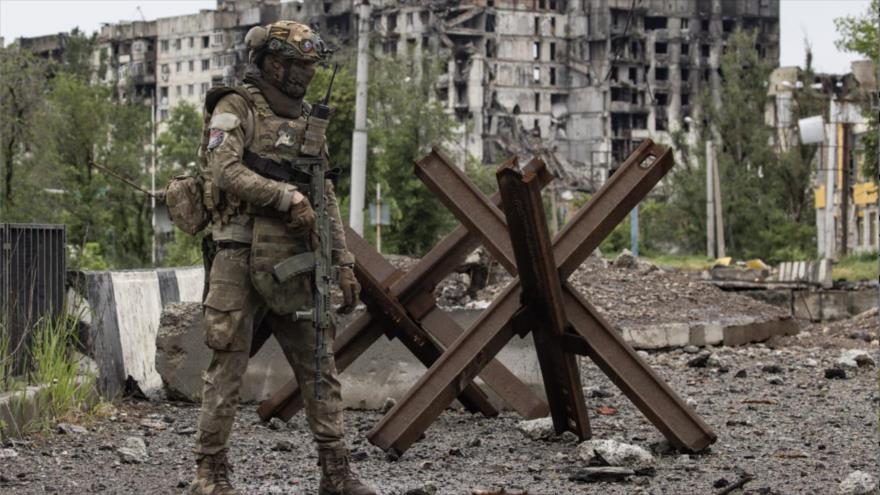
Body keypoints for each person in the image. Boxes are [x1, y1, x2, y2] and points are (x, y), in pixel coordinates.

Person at [188, 20, 375, 495]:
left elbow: (324, 192)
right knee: (226, 366)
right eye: (298, 65)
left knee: (319, 364)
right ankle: (210, 474)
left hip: (295, 257)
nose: (307, 75)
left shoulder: (308, 119)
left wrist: (345, 261)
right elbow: (223, 169)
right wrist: (284, 198)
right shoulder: (235, 107)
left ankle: (336, 472)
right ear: (272, 63)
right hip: (238, 251)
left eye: (312, 66)